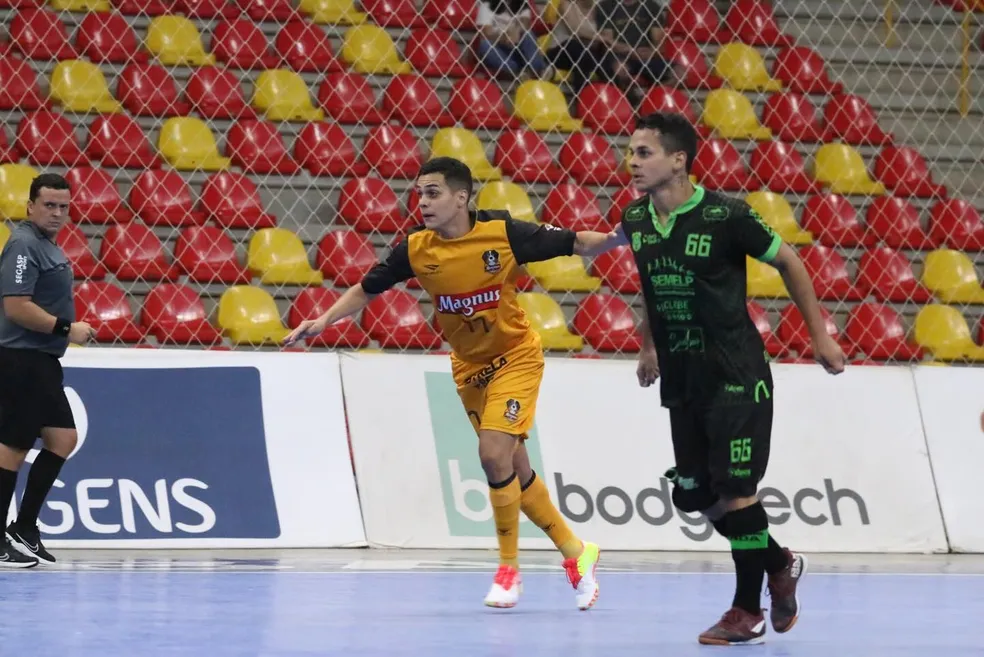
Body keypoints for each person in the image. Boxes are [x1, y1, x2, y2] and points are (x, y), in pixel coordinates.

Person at [286, 157, 622, 610]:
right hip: (469, 368)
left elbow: (578, 242)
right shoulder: (416, 249)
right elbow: (368, 288)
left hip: (516, 357)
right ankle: (577, 554)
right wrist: (323, 319)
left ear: (461, 198)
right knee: (515, 470)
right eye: (419, 193)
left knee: (491, 454)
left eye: (433, 193)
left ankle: (508, 570)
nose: (421, 201)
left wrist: (620, 238)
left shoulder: (504, 235)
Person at [601, 112, 847, 644]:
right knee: (693, 496)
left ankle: (746, 612)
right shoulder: (637, 219)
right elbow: (651, 284)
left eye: (644, 153)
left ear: (678, 161)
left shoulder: (727, 215)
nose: (632, 162)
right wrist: (647, 346)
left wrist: (820, 336)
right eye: (630, 152)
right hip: (683, 377)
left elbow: (791, 262)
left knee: (737, 493)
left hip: (736, 375)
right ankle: (780, 563)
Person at [0, 173, 94, 568]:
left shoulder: (44, 243)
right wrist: (67, 329)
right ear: (30, 206)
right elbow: (16, 307)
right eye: (49, 205)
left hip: (43, 360)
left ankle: (24, 528)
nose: (57, 213)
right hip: (21, 358)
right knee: (13, 447)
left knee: (63, 439)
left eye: (63, 207)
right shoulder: (23, 245)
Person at [595, 0, 676, 102]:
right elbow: (608, 44)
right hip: (619, 55)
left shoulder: (651, 6)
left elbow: (660, 44)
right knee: (619, 69)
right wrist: (631, 51)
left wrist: (652, 52)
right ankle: (631, 102)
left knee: (680, 73)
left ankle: (647, 98)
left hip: (646, 56)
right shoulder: (606, 6)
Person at [475, 0, 551, 80]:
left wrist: (516, 31)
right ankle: (520, 73)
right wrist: (503, 36)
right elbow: (487, 33)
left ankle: (539, 70)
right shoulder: (486, 4)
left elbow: (525, 23)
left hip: (519, 47)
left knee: (528, 34)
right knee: (485, 45)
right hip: (500, 49)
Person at [545, 0, 606, 94]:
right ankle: (582, 98)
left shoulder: (599, 10)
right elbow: (575, 30)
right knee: (576, 47)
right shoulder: (566, 4)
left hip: (585, 56)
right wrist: (601, 38)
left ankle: (618, 94)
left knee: (603, 56)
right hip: (559, 53)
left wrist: (603, 41)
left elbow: (600, 40)